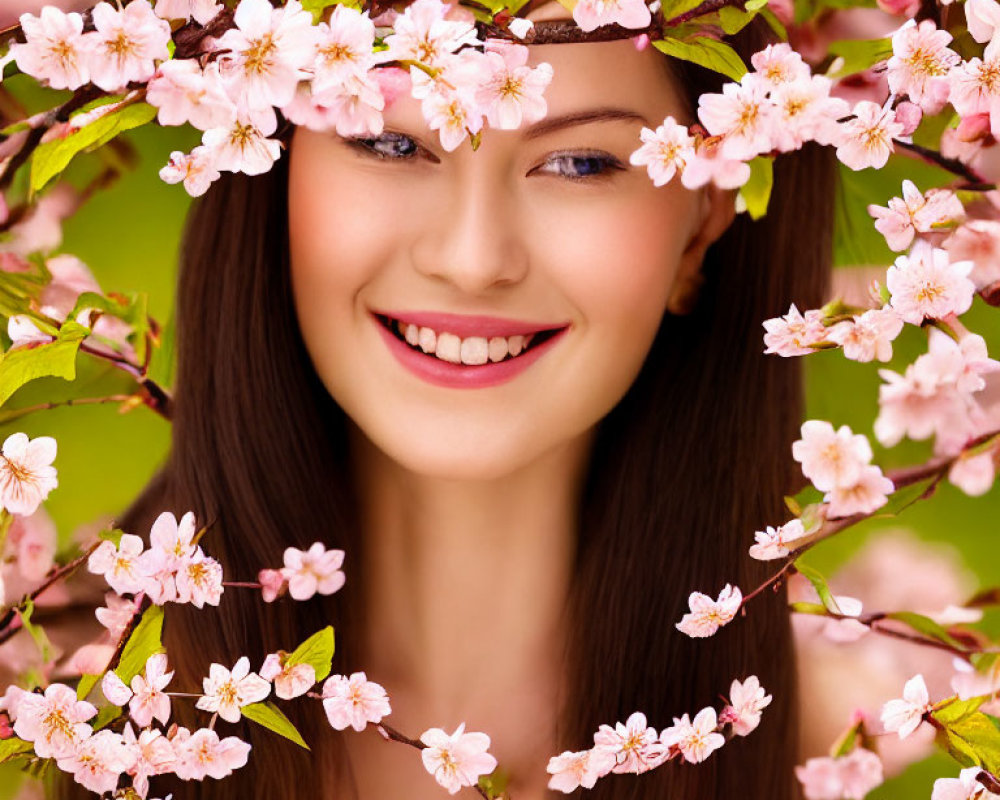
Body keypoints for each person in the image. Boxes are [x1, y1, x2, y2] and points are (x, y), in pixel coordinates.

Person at [81, 5, 836, 799]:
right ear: (271, 162)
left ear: (701, 224)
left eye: (579, 164)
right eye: (390, 142)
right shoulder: (51, 713)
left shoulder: (885, 748)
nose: (473, 259)